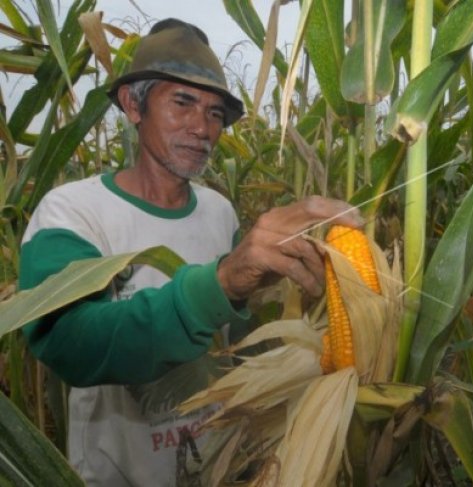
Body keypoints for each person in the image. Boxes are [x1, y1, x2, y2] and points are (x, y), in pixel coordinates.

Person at [18, 18, 362, 486]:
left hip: (217, 467)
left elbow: (233, 342)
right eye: (183, 103)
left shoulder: (219, 212)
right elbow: (68, 341)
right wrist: (219, 284)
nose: (202, 127)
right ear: (132, 105)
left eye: (216, 113)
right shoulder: (72, 212)